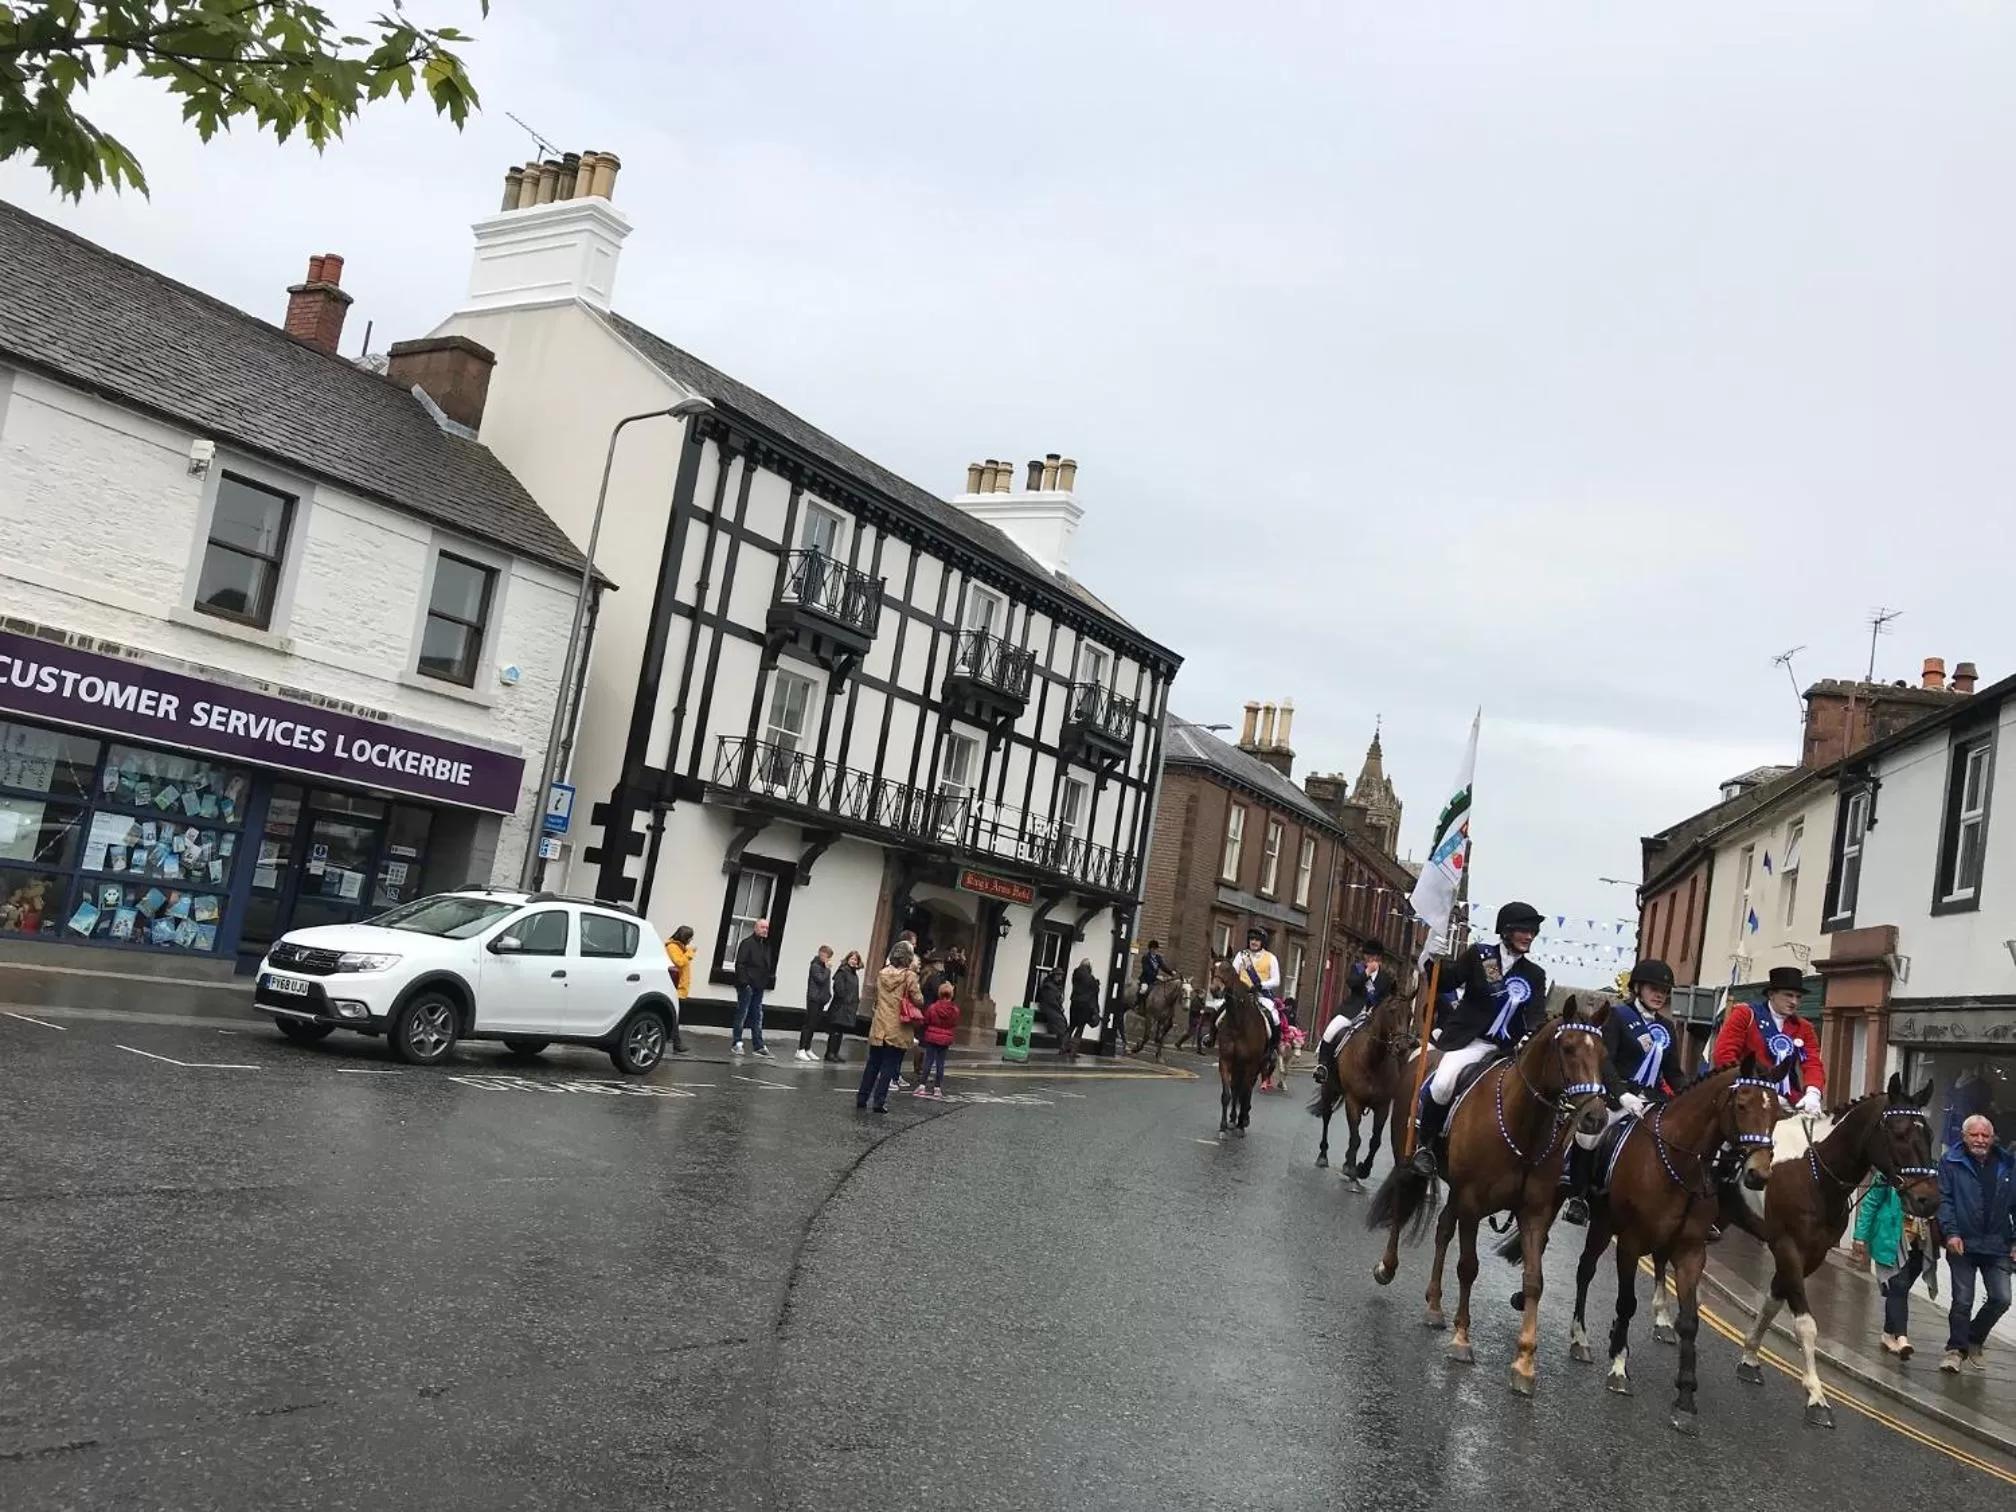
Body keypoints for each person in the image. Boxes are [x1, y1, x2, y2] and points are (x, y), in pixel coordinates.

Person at [1410, 901, 1549, 1178]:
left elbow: (1535, 1015)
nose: (1529, 936)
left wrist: (1534, 1035)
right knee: (1443, 1082)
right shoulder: (1480, 956)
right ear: (1506, 930)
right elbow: (1447, 982)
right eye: (1524, 930)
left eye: (1533, 931)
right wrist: (1431, 959)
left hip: (1507, 1050)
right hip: (1471, 1042)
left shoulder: (1534, 975)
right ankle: (1425, 1146)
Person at [1564, 956, 1684, 1225]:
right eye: (1654, 989)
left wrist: (1691, 1096)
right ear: (1638, 988)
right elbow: (1604, 1060)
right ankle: (1578, 1196)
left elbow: (1673, 1072)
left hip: (1653, 1099)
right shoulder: (1618, 1016)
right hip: (1620, 1096)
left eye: (1664, 991)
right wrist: (1621, 1094)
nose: (1660, 995)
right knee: (1590, 1134)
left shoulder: (1666, 1027)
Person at [1936, 1113, 2016, 1372]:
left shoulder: (2008, 1163)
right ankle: (1955, 1351)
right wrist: (1951, 1233)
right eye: (1975, 1135)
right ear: (1964, 1136)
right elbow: (1945, 1200)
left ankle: (1973, 1339)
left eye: (1985, 1135)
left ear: (1992, 1138)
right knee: (1963, 1300)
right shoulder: (1950, 1162)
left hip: (1998, 1244)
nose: (1980, 1140)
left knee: (2002, 1298)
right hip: (1963, 1243)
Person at [1713, 966, 1825, 1115]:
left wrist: (1813, 1092)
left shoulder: (1804, 1027)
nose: (1794, 1002)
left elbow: (1812, 1063)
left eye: (1798, 997)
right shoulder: (1745, 1014)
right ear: (1771, 994)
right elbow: (1724, 1055)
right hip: (1746, 1096)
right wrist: (1757, 1091)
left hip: (1789, 1100)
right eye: (1788, 995)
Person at [1853, 1172, 1936, 1359]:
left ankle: (1887, 1334)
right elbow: (1871, 1203)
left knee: (1901, 1288)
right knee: (1898, 1285)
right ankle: (1902, 1338)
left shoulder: (1928, 1173)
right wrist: (1860, 1235)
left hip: (1919, 1241)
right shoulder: (1886, 1175)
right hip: (1890, 1238)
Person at [1316, 944, 1399, 1085]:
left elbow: (1387, 999)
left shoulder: (1386, 978)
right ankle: (1322, 1066)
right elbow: (1352, 983)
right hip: (1352, 1011)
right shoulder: (1357, 969)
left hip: (1373, 1016)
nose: (1369, 959)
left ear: (1378, 958)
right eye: (1367, 956)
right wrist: (1366, 973)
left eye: (1372, 957)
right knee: (1330, 1031)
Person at [858, 941, 922, 1113]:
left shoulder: (882, 973)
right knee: (889, 1065)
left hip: (880, 1023)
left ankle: (862, 1098)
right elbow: (918, 1000)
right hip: (897, 1026)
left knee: (873, 1063)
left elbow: (877, 998)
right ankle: (879, 1102)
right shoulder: (909, 976)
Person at [1229, 926, 1284, 1061]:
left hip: (1261, 995)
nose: (1254, 942)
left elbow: (1276, 980)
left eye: (1257, 940)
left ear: (1262, 942)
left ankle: (1272, 1048)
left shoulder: (1271, 958)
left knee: (1274, 1018)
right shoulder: (1241, 956)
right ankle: (1211, 1037)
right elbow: (1233, 973)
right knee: (1220, 1009)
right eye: (1252, 939)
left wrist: (1261, 985)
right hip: (1241, 993)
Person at [731, 919, 774, 1058]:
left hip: (759, 986)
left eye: (766, 928)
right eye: (762, 927)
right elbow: (740, 964)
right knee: (742, 1014)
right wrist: (745, 983)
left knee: (757, 1016)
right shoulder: (747, 943)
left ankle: (758, 1046)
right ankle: (737, 1043)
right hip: (747, 986)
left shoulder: (766, 946)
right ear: (755, 928)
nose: (765, 930)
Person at [917, 981, 960, 1100]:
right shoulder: (955, 1010)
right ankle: (937, 1088)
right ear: (951, 994)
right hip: (945, 1039)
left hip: (931, 1037)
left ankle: (922, 1086)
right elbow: (954, 1023)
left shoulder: (933, 1007)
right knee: (940, 1064)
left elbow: (926, 1020)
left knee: (928, 1061)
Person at [661, 924, 697, 1055]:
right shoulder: (672, 947)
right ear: (685, 938)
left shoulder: (680, 947)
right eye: (689, 938)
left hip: (680, 988)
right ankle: (677, 1043)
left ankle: (673, 1041)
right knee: (674, 1017)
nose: (690, 941)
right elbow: (679, 962)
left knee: (675, 1017)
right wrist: (690, 953)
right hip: (675, 988)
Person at [824, 950, 862, 1062]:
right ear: (848, 959)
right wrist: (845, 998)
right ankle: (830, 1053)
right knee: (835, 1030)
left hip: (849, 1007)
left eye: (855, 959)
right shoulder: (842, 971)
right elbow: (838, 988)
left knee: (840, 1031)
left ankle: (835, 1053)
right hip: (840, 1005)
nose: (853, 961)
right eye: (852, 959)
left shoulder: (853, 974)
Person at [797, 945, 834, 1061]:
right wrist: (827, 970)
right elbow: (820, 980)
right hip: (814, 998)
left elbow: (826, 983)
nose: (827, 959)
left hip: (821, 999)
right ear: (821, 954)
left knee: (814, 1025)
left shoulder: (823, 967)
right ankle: (801, 1049)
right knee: (809, 1024)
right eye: (826, 956)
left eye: (829, 957)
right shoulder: (815, 966)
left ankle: (808, 1048)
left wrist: (828, 995)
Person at [1068, 959, 1102, 1059]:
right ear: (1089, 967)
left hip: (1074, 1003)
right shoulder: (1090, 978)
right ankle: (1072, 1052)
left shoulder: (1075, 974)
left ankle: (1062, 1048)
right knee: (1080, 1028)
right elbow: (1094, 990)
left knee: (1071, 1026)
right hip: (1084, 1005)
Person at [1035, 967, 1070, 1054]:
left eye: (1061, 976)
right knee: (1060, 1021)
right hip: (1048, 1008)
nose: (1060, 978)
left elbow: (1058, 999)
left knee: (1064, 1022)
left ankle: (1064, 1044)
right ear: (1053, 975)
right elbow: (1051, 1000)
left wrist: (1060, 1007)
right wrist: (1059, 1008)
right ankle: (1063, 1045)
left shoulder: (1057, 986)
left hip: (1055, 1008)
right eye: (1058, 975)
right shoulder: (1048, 986)